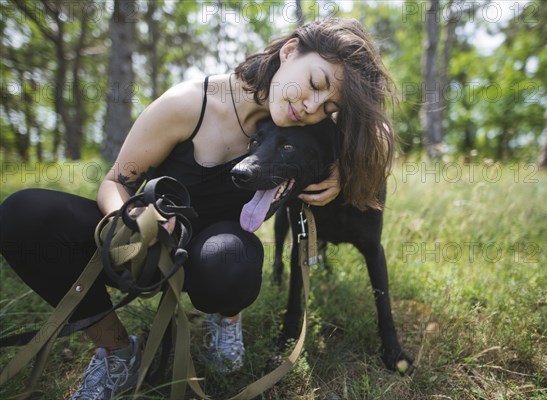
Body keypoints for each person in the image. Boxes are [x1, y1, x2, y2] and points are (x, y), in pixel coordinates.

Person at [0, 18, 396, 399]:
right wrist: (133, 222)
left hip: (217, 255)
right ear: (291, 51)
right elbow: (115, 182)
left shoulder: (302, 120)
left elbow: (378, 129)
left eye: (329, 108)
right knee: (23, 214)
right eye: (315, 84)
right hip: (147, 245)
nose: (312, 105)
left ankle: (224, 322)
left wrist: (345, 168)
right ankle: (118, 352)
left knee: (232, 259)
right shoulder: (189, 103)